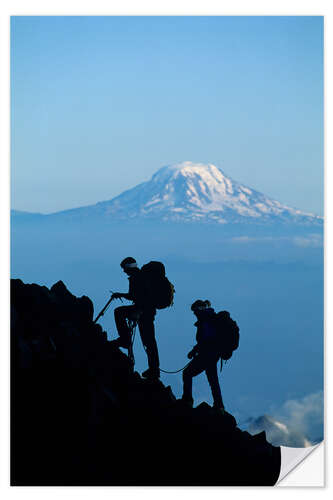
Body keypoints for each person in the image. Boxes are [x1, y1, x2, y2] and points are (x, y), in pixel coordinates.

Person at [111, 257, 160, 380]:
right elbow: (138, 296)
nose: (124, 271)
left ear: (128, 267)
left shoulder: (137, 278)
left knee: (148, 341)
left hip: (144, 313)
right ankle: (154, 369)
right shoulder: (141, 276)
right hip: (146, 312)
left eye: (124, 268)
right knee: (149, 342)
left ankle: (125, 339)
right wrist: (121, 294)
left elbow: (140, 297)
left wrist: (139, 310)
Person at [181, 299, 225, 412]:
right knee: (213, 380)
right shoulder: (210, 318)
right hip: (213, 355)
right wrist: (195, 351)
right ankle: (219, 406)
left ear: (199, 309)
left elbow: (206, 340)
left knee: (187, 373)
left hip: (207, 355)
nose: (194, 314)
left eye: (195, 311)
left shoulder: (205, 320)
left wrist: (195, 351)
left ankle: (187, 400)